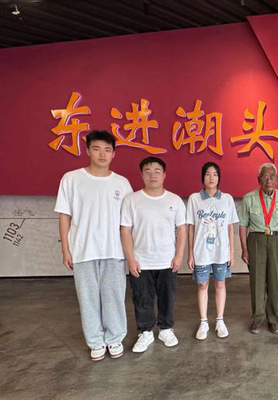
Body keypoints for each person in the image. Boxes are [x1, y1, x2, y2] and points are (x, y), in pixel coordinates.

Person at [54, 130, 133, 361]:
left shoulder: (122, 183)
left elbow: (128, 222)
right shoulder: (71, 179)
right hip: (83, 249)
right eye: (97, 149)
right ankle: (95, 341)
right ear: (88, 150)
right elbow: (64, 216)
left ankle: (115, 337)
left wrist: (130, 252)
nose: (102, 154)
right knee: (88, 298)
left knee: (113, 296)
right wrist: (65, 249)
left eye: (107, 150)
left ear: (114, 154)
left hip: (114, 250)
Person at [120, 157, 187, 352]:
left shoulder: (174, 200)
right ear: (141, 175)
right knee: (142, 298)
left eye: (157, 171)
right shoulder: (132, 200)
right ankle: (145, 332)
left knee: (167, 297)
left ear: (164, 175)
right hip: (141, 260)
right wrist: (131, 259)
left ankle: (166, 328)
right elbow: (125, 231)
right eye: (147, 171)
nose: (152, 175)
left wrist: (179, 255)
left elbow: (182, 229)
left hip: (167, 260)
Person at [187, 162, 238, 340]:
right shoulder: (194, 199)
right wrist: (190, 253)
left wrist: (232, 252)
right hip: (201, 251)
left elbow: (230, 227)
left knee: (220, 284)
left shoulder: (227, 199)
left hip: (221, 252)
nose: (211, 178)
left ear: (219, 178)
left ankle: (219, 321)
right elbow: (191, 227)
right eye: (208, 174)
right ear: (203, 177)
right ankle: (203, 322)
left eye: (215, 174)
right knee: (202, 285)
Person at [239, 163, 278, 334]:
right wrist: (244, 249)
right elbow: (243, 226)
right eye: (265, 177)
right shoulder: (249, 198)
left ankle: (273, 319)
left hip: (277, 240)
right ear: (258, 179)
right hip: (256, 240)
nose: (269, 180)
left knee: (275, 282)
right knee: (257, 281)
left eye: (272, 177)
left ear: (277, 179)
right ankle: (257, 319)